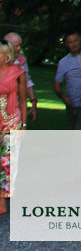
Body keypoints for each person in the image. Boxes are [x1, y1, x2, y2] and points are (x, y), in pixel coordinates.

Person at [0, 39, 28, 216]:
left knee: (7, 161)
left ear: (6, 56)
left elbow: (23, 101)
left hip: (11, 120)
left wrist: (24, 124)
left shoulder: (18, 73)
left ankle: (4, 196)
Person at [54, 32, 81, 129]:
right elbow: (57, 86)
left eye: (75, 41)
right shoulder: (63, 62)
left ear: (80, 41)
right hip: (72, 103)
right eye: (70, 42)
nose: (74, 44)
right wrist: (63, 96)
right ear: (67, 44)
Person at [3, 32, 37, 122]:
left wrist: (33, 101)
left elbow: (27, 81)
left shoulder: (21, 61)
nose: (19, 49)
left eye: (19, 45)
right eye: (16, 46)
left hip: (15, 108)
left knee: (14, 134)